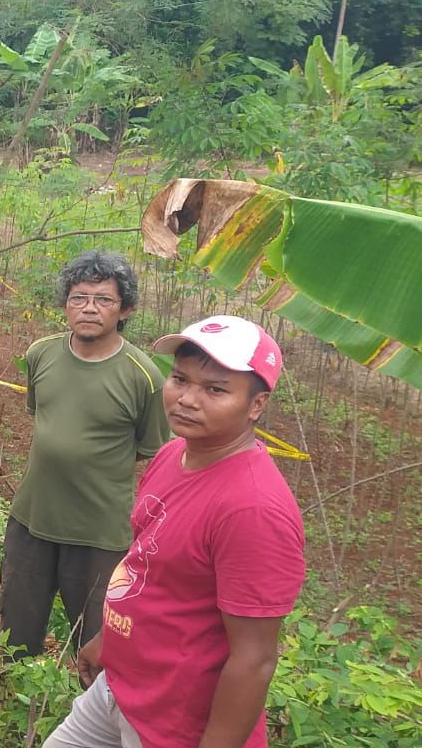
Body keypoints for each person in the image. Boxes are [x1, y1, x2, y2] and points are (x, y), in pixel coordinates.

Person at [46, 315, 305, 748]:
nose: (187, 399)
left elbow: (254, 660)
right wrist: (108, 639)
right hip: (119, 690)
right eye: (180, 379)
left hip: (176, 724)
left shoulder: (253, 509)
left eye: (215, 390)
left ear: (256, 405)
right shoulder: (172, 454)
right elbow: (148, 568)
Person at [0, 251, 168, 658]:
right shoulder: (41, 354)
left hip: (99, 535)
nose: (89, 308)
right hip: (32, 521)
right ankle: (11, 696)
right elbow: (41, 415)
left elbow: (151, 451)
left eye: (103, 299)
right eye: (79, 297)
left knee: (95, 644)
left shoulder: (144, 377)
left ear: (125, 309)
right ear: (65, 304)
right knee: (16, 634)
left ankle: (88, 702)